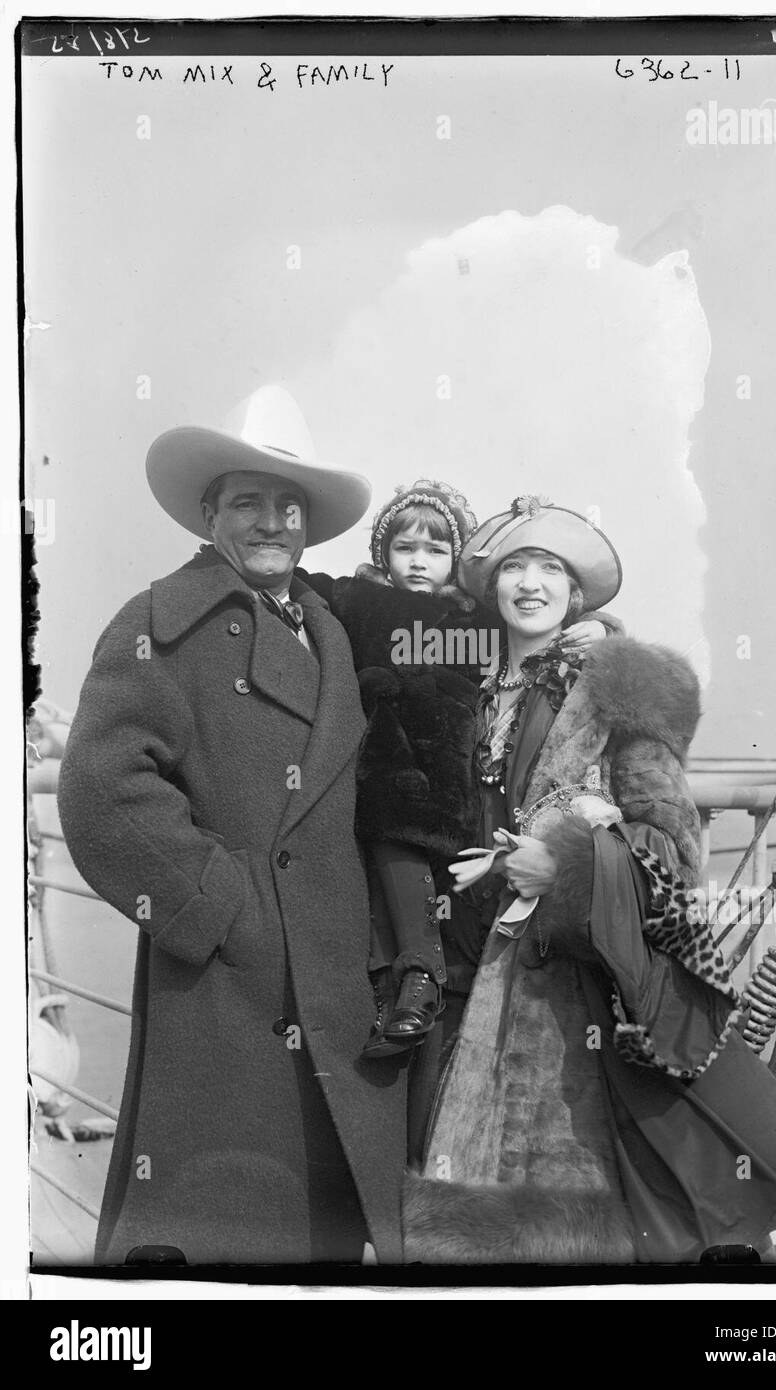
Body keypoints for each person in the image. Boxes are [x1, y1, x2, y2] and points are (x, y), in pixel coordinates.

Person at [403, 496, 776, 1263]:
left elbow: (670, 843)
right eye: (513, 566)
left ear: (578, 593)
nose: (529, 583)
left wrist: (561, 866)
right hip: (469, 975)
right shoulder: (473, 688)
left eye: (551, 569)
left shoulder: (618, 688)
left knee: (579, 1213)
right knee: (466, 1207)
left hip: (577, 992)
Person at [57, 386, 408, 1266]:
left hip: (337, 980)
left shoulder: (329, 629)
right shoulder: (160, 624)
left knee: (321, 1240)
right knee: (224, 1227)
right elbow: (102, 789)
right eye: (248, 501)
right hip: (226, 989)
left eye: (288, 505)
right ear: (210, 513)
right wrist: (221, 905)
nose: (272, 521)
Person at [297, 481, 607, 1058]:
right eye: (404, 548)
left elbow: (546, 614)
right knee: (391, 848)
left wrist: (607, 627)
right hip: (385, 761)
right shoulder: (359, 601)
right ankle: (410, 982)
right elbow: (298, 583)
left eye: (436, 550)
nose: (419, 562)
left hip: (456, 770)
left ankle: (420, 983)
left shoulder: (476, 619)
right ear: (381, 553)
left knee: (431, 870)